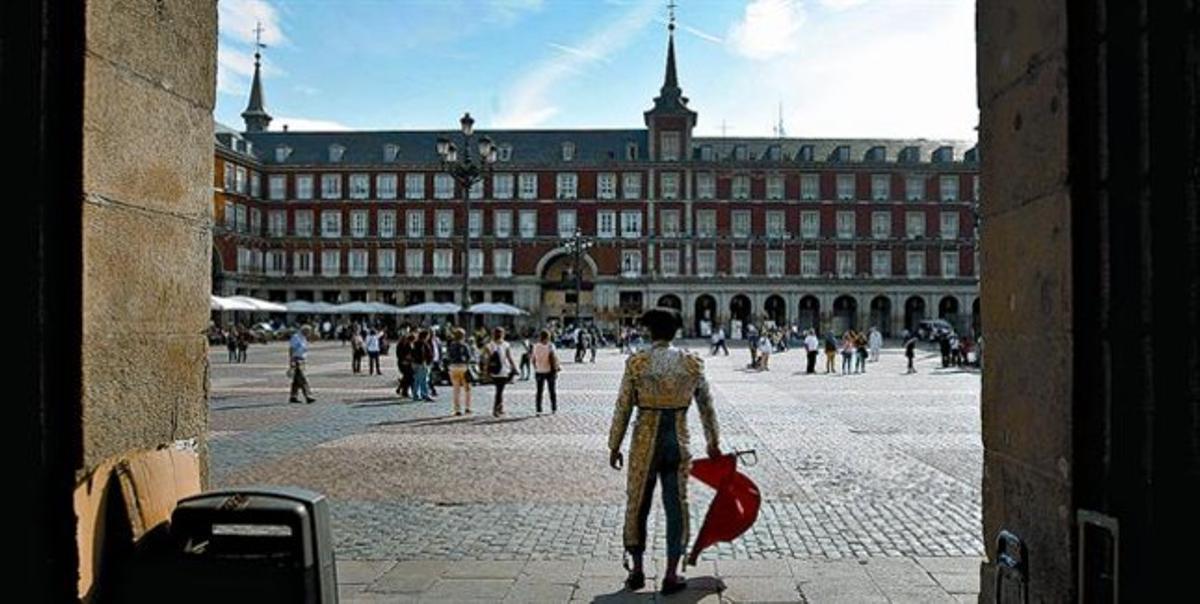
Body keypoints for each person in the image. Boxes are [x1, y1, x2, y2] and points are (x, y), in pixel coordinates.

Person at [608, 307, 721, 596]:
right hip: (678, 440)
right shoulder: (692, 364)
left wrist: (614, 444)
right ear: (675, 331)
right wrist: (713, 442)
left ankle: (637, 570)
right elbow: (707, 407)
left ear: (649, 332)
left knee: (638, 503)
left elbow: (623, 406)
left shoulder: (637, 364)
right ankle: (672, 573)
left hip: (645, 440)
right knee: (676, 505)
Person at [484, 327, 518, 416]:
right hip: (503, 370)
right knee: (499, 391)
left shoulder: (489, 345)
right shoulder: (506, 345)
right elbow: (509, 358)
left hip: (494, 370)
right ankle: (496, 409)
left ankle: (500, 407)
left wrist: (486, 371)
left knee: (499, 390)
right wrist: (514, 368)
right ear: (503, 334)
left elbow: (487, 360)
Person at [446, 327, 474, 416]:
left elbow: (448, 356)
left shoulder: (451, 345)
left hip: (453, 367)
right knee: (467, 388)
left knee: (456, 389)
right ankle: (467, 408)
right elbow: (469, 357)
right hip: (463, 367)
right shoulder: (465, 345)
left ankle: (457, 409)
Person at [532, 329, 560, 414]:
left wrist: (536, 367)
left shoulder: (536, 346)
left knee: (539, 391)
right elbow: (555, 358)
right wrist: (557, 367)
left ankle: (538, 409)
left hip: (539, 371)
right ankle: (554, 408)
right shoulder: (551, 346)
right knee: (552, 390)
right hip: (549, 371)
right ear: (548, 337)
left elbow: (533, 359)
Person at [288, 326, 316, 404]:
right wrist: (291, 361)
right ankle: (308, 396)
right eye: (308, 332)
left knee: (296, 380)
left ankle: (293, 396)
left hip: (302, 360)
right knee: (302, 378)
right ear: (304, 331)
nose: (309, 334)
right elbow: (291, 349)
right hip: (296, 360)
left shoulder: (304, 338)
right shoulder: (296, 337)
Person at [412, 330, 433, 402]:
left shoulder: (417, 343)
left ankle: (416, 395)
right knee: (423, 379)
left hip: (418, 363)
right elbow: (422, 354)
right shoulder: (422, 344)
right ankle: (424, 394)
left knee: (417, 379)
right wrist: (424, 362)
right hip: (421, 363)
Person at [395, 332, 415, 398]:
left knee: (407, 377)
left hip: (408, 363)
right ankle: (404, 391)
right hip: (402, 363)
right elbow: (399, 354)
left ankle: (400, 389)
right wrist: (405, 358)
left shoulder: (408, 344)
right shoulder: (401, 345)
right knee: (408, 376)